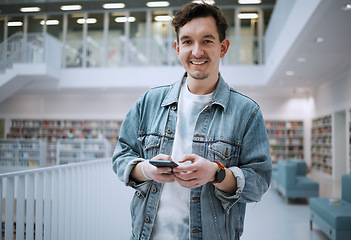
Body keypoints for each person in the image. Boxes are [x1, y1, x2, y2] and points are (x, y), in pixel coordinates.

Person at [112, 2, 272, 240]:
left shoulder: (246, 112)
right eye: (187, 41)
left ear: (223, 47)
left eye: (207, 41)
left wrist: (217, 174)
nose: (197, 51)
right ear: (177, 48)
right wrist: (146, 169)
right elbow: (121, 157)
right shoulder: (149, 102)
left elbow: (258, 181)